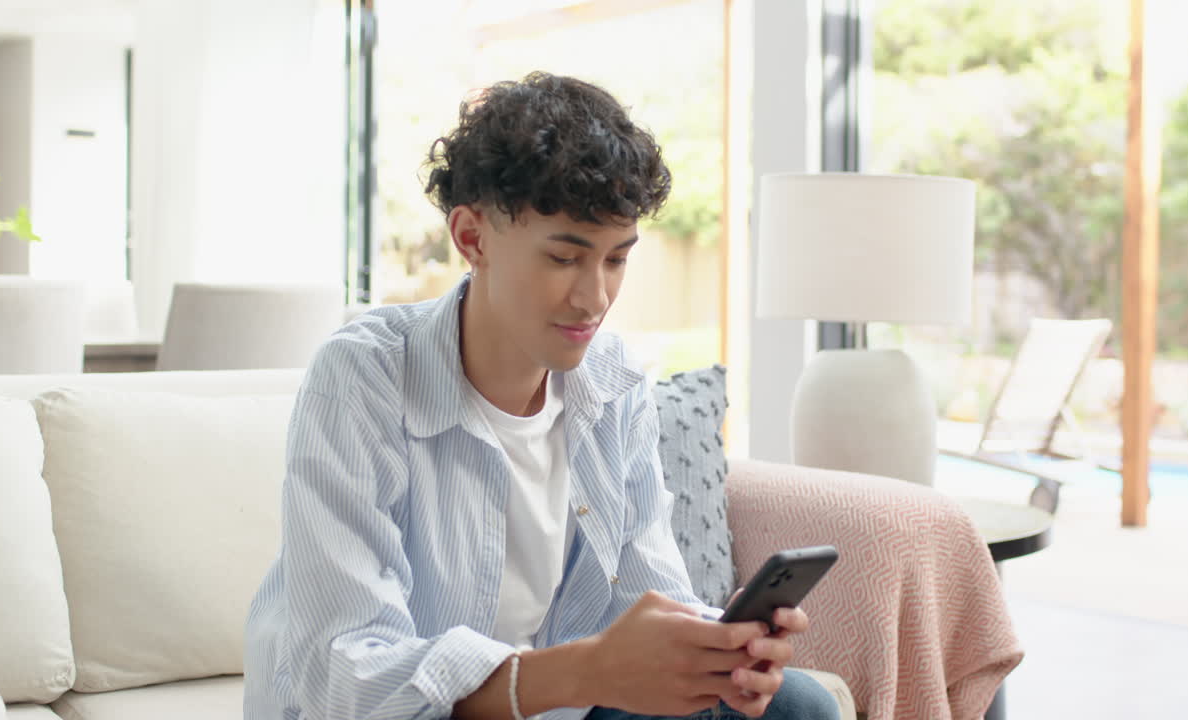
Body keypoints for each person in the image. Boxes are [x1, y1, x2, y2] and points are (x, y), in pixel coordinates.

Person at [243, 72, 840, 720]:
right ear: (472, 238)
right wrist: (584, 671)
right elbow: (350, 676)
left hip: (567, 701)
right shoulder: (363, 381)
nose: (595, 299)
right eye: (564, 259)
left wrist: (714, 647)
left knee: (795, 706)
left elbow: (649, 595)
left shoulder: (613, 383)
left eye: (616, 260)